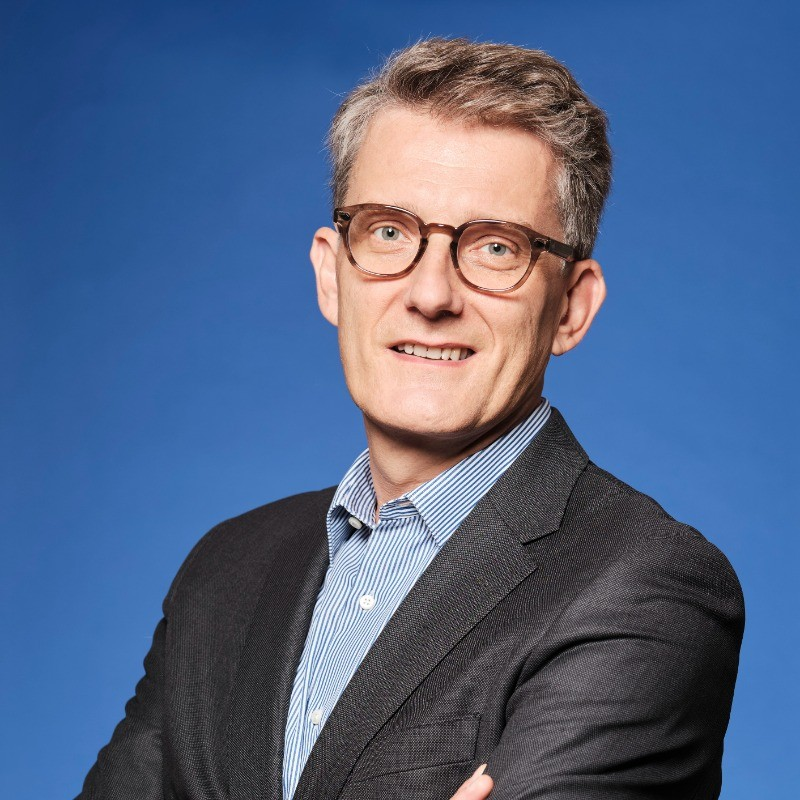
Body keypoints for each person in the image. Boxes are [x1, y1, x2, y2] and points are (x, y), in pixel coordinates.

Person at [77, 38, 744, 800]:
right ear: (332, 274)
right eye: (389, 231)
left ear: (571, 307)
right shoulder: (225, 572)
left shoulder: (648, 587)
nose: (431, 295)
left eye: (496, 248)